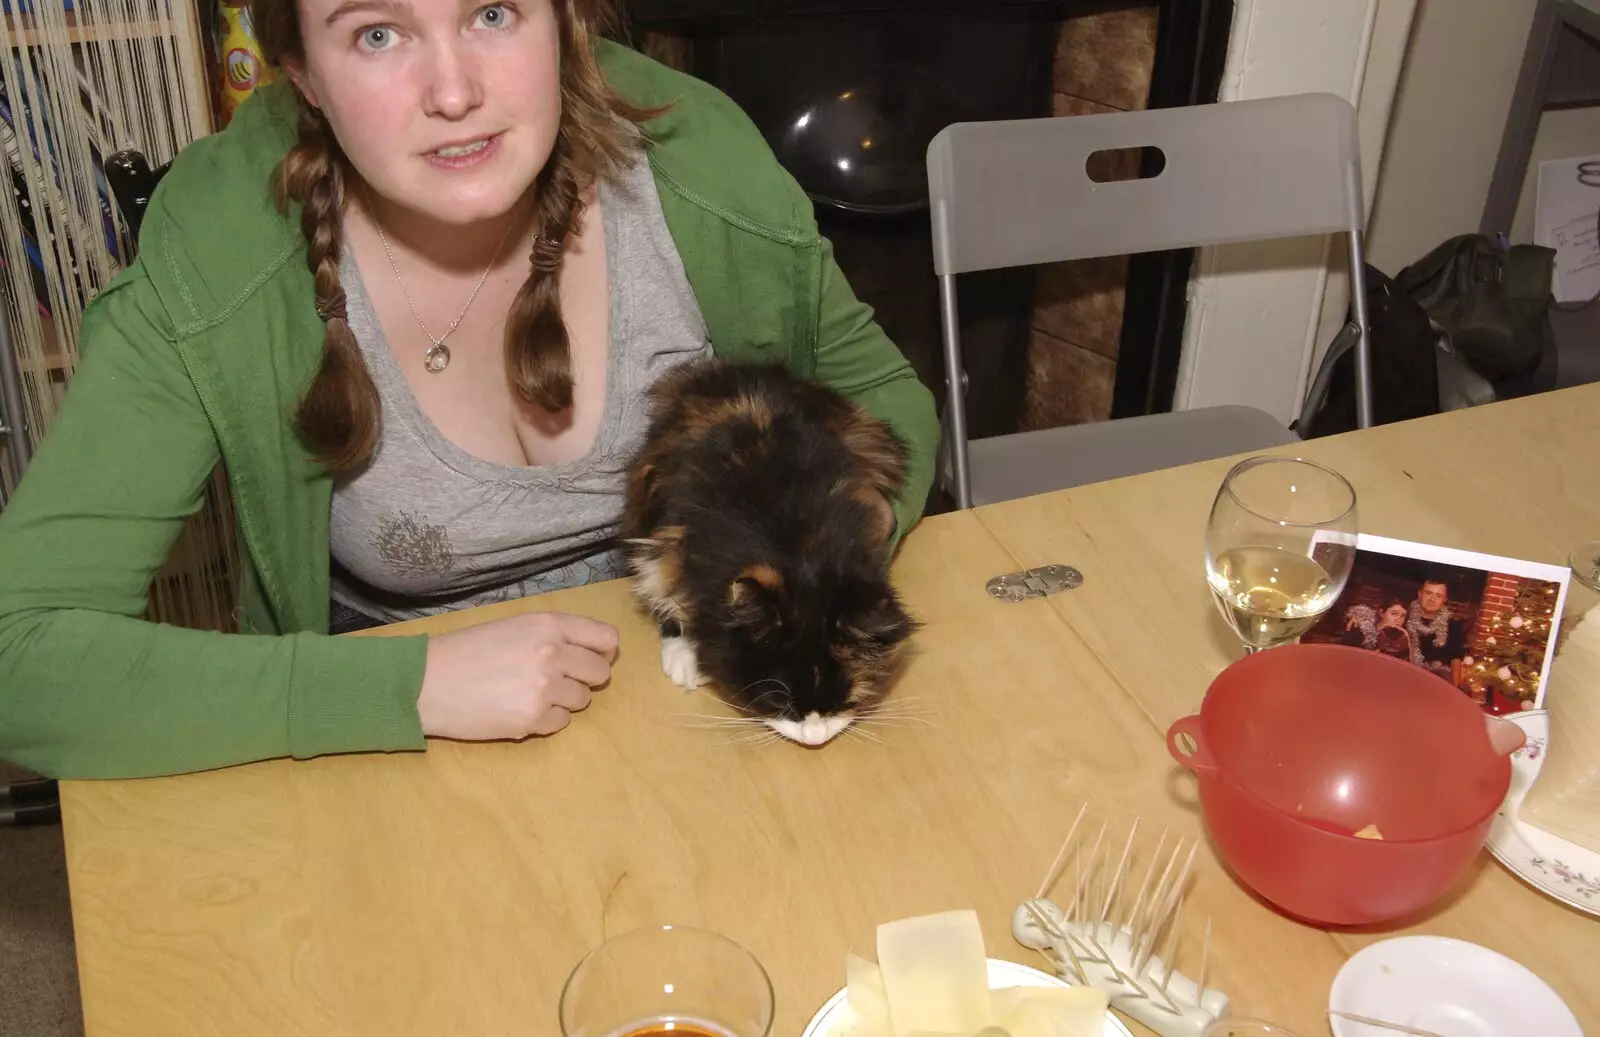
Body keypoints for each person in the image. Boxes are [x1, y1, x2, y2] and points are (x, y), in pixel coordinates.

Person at [0, 0, 939, 780]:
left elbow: (887, 401)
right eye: (378, 33)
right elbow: (18, 654)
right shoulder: (219, 246)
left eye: (492, 12)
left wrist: (822, 579)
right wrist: (406, 686)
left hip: (711, 722)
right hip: (402, 761)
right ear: (301, 73)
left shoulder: (697, 154)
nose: (455, 93)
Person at [1407, 578, 1468, 686]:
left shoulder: (1453, 624)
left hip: (1438, 680)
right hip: (1408, 674)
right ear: (1420, 594)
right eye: (1428, 593)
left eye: (1438, 596)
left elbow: (1456, 659)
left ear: (1444, 600)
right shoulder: (1405, 616)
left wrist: (1455, 689)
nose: (1432, 599)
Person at [1340, 597, 1414, 662]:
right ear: (1382, 613)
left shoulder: (1402, 640)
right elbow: (1345, 655)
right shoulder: (1360, 629)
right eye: (1394, 614)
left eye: (1403, 616)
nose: (1398, 619)